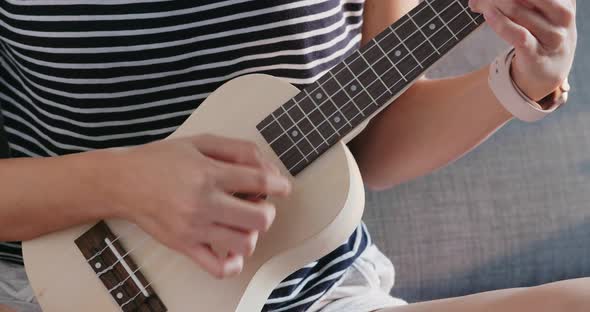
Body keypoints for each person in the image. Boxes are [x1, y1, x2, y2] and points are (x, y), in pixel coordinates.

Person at [0, 0, 586, 311]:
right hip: (60, 292)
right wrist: (124, 184)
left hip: (317, 297)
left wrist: (520, 82)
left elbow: (374, 145)